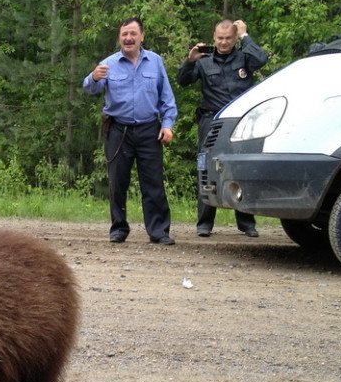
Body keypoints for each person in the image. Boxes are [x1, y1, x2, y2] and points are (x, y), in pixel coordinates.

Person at [83, 17, 178, 245]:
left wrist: (167, 124)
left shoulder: (155, 61)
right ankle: (118, 229)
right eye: (124, 34)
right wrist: (93, 78)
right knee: (118, 182)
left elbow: (166, 96)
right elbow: (90, 88)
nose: (128, 38)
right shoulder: (108, 63)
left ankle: (158, 231)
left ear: (142, 36)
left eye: (133, 34)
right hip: (119, 130)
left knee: (153, 183)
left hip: (149, 129)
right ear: (120, 37)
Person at [176, 18, 269, 237]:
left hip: (241, 122)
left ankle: (246, 223)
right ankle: (204, 223)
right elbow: (182, 80)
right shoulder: (203, 60)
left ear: (235, 37)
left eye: (228, 38)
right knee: (206, 168)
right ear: (213, 37)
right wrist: (190, 61)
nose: (224, 42)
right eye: (220, 38)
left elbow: (261, 59)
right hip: (212, 121)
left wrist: (246, 35)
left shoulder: (245, 57)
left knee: (242, 168)